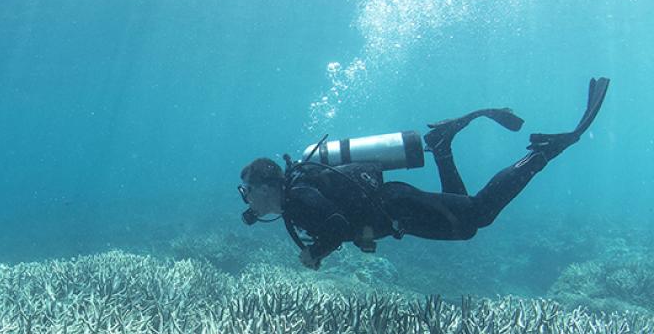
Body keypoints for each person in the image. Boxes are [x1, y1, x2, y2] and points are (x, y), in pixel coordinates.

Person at [238, 78, 610, 269]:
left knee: (477, 216)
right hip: (394, 208)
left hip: (398, 207)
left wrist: (315, 252)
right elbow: (345, 221)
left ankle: (542, 155)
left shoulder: (298, 197)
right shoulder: (296, 195)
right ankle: (442, 146)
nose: (247, 200)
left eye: (247, 191)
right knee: (465, 220)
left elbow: (335, 224)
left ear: (267, 186)